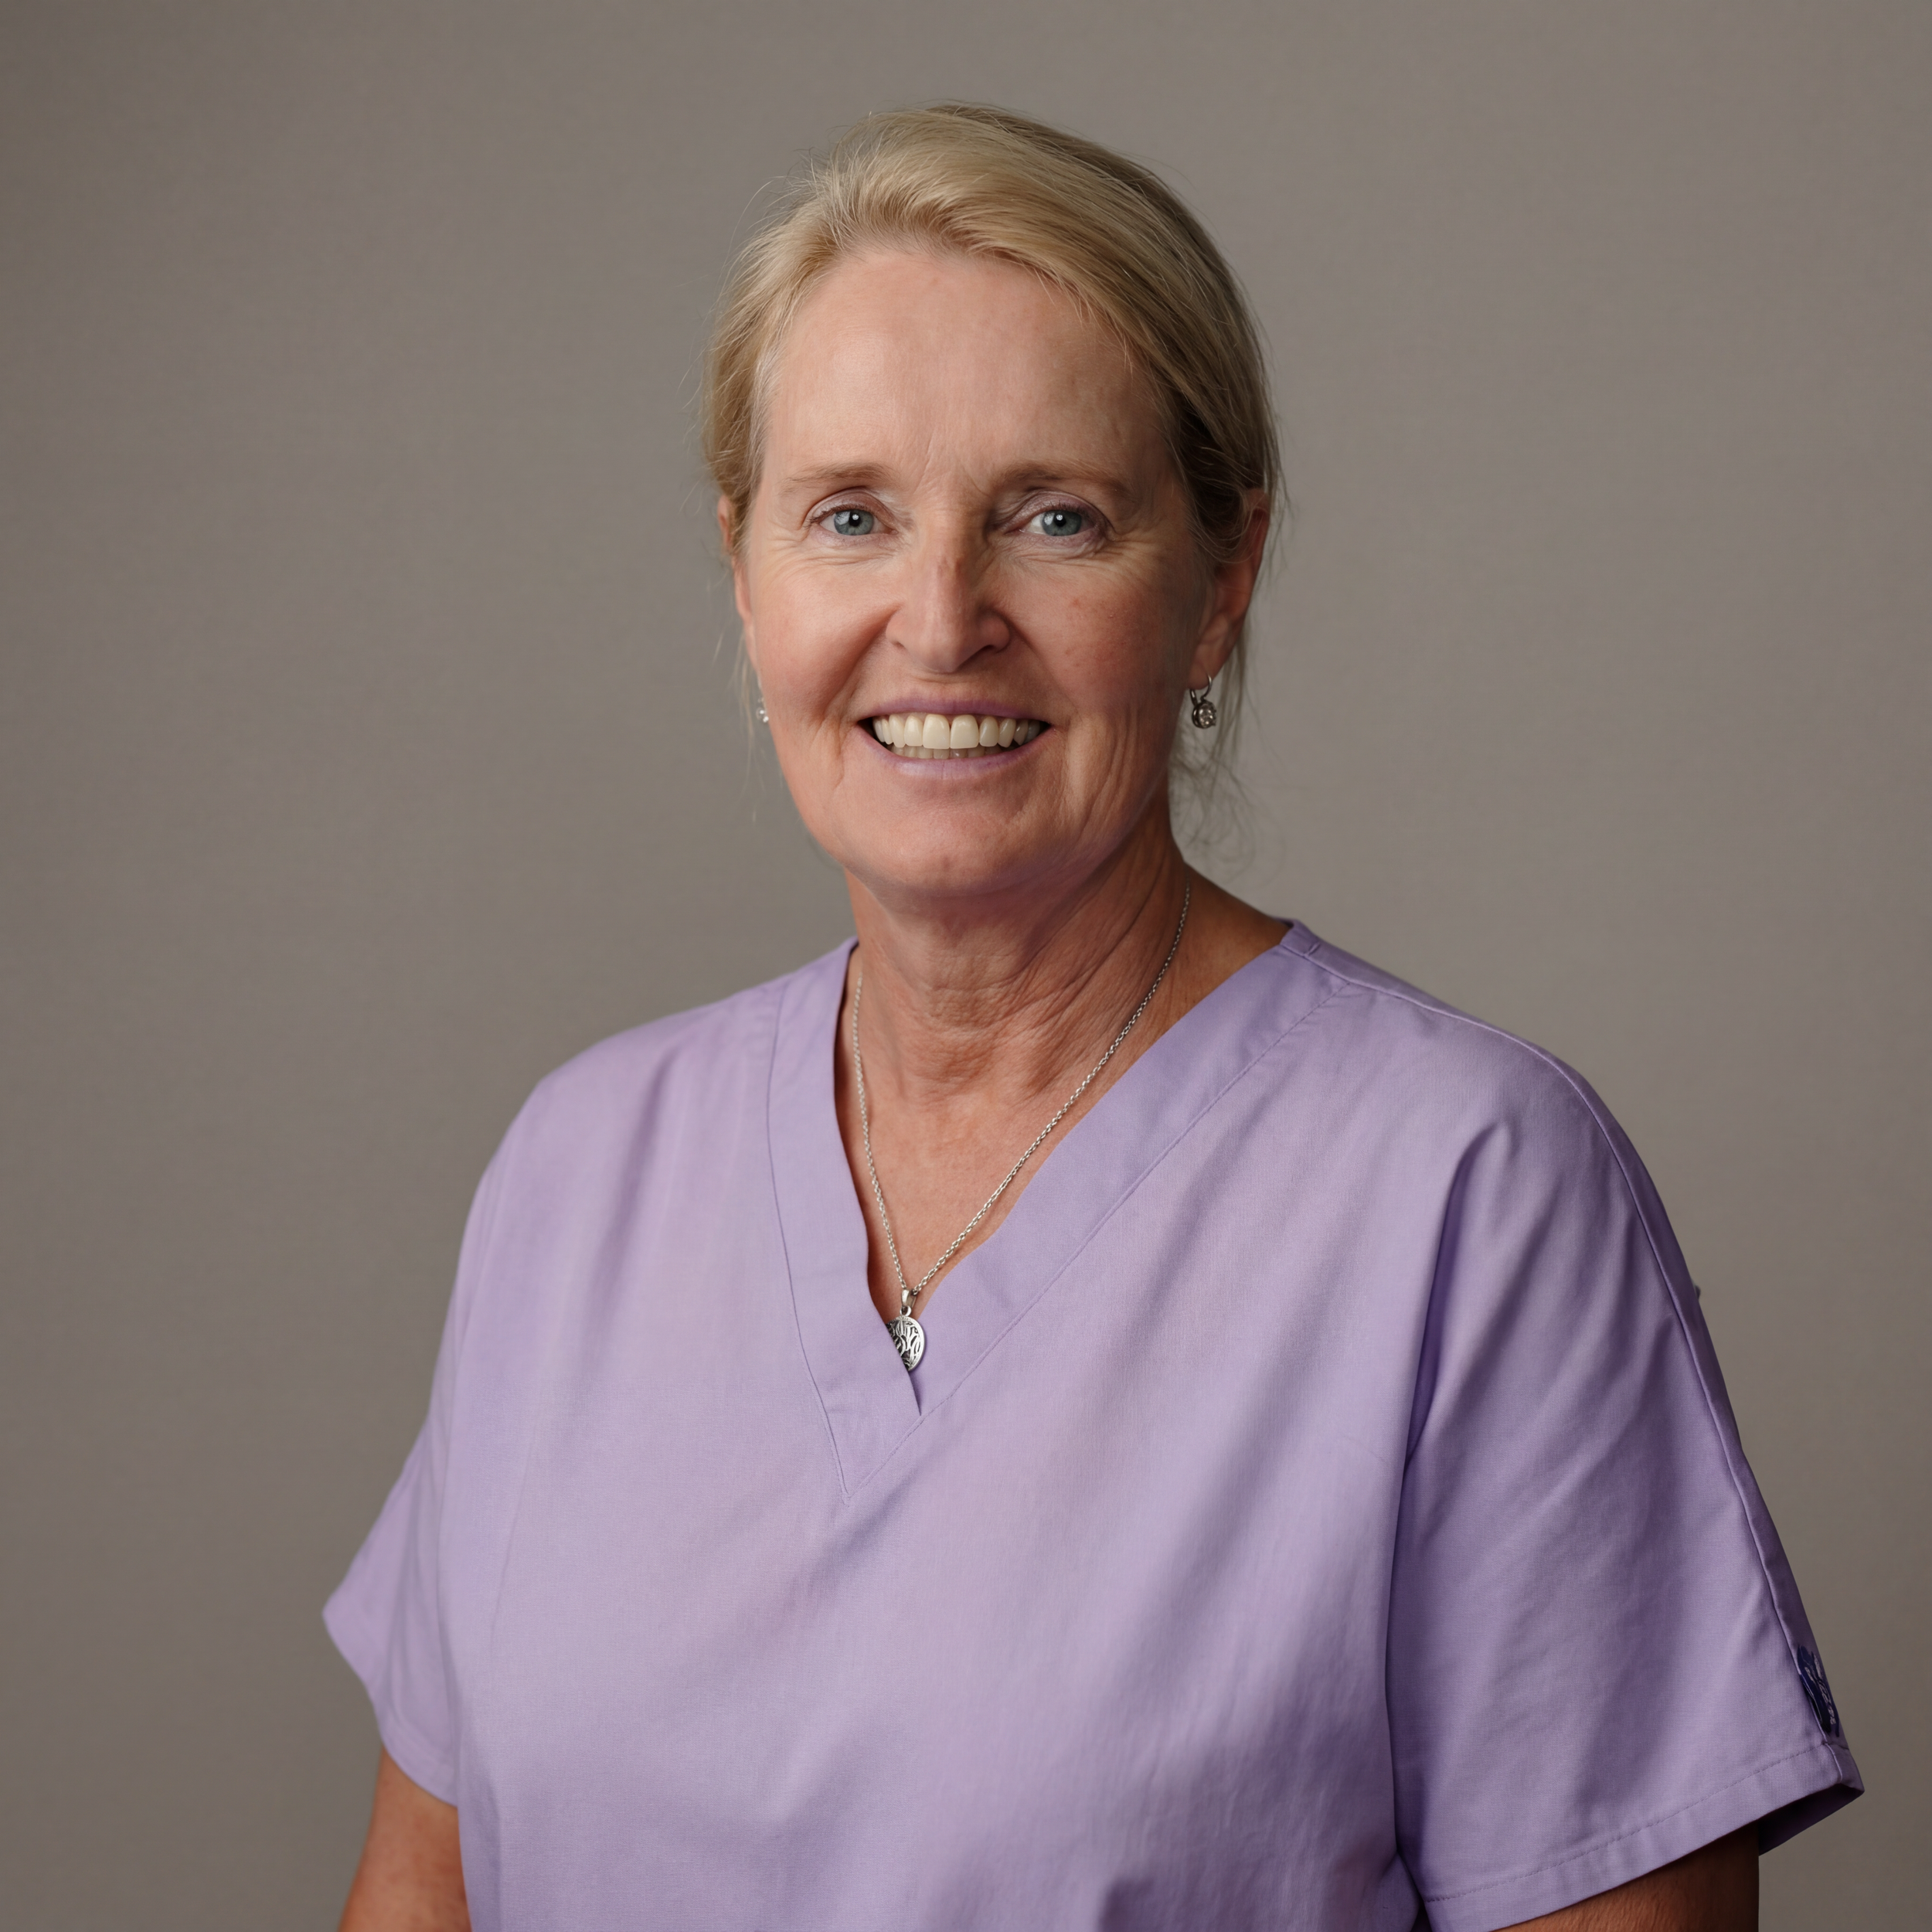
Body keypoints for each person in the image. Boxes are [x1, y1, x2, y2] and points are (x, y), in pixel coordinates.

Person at [326, 105, 1859, 1931]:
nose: (940, 617)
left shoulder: (1464, 1194)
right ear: (745, 575)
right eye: (850, 516)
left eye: (1054, 517)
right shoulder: (579, 1174)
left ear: (1217, 583)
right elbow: (421, 1898)